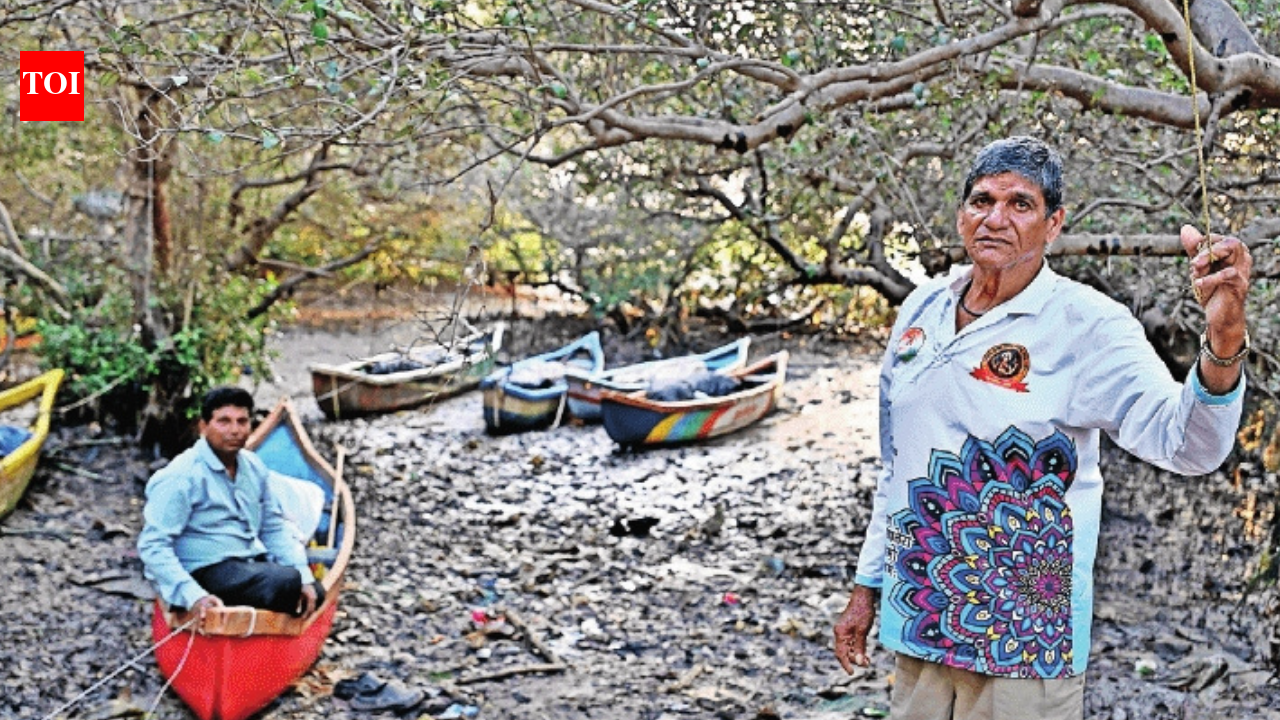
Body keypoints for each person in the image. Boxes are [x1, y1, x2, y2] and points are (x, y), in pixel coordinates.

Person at [833, 136, 1251, 719]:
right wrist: (866, 587)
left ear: (1053, 225)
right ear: (961, 216)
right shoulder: (921, 310)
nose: (996, 218)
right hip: (921, 620)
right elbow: (896, 464)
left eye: (1020, 204)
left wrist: (1225, 338)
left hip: (1025, 648)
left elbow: (1188, 445)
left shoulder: (1088, 324)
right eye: (982, 200)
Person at [138, 387, 324, 624]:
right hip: (201, 571)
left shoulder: (253, 467)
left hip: (244, 567)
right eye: (224, 422)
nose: (234, 430)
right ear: (203, 427)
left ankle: (258, 629)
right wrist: (193, 596)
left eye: (242, 421)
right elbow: (153, 546)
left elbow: (273, 527)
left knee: (313, 590)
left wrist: (304, 575)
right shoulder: (181, 476)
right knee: (286, 582)